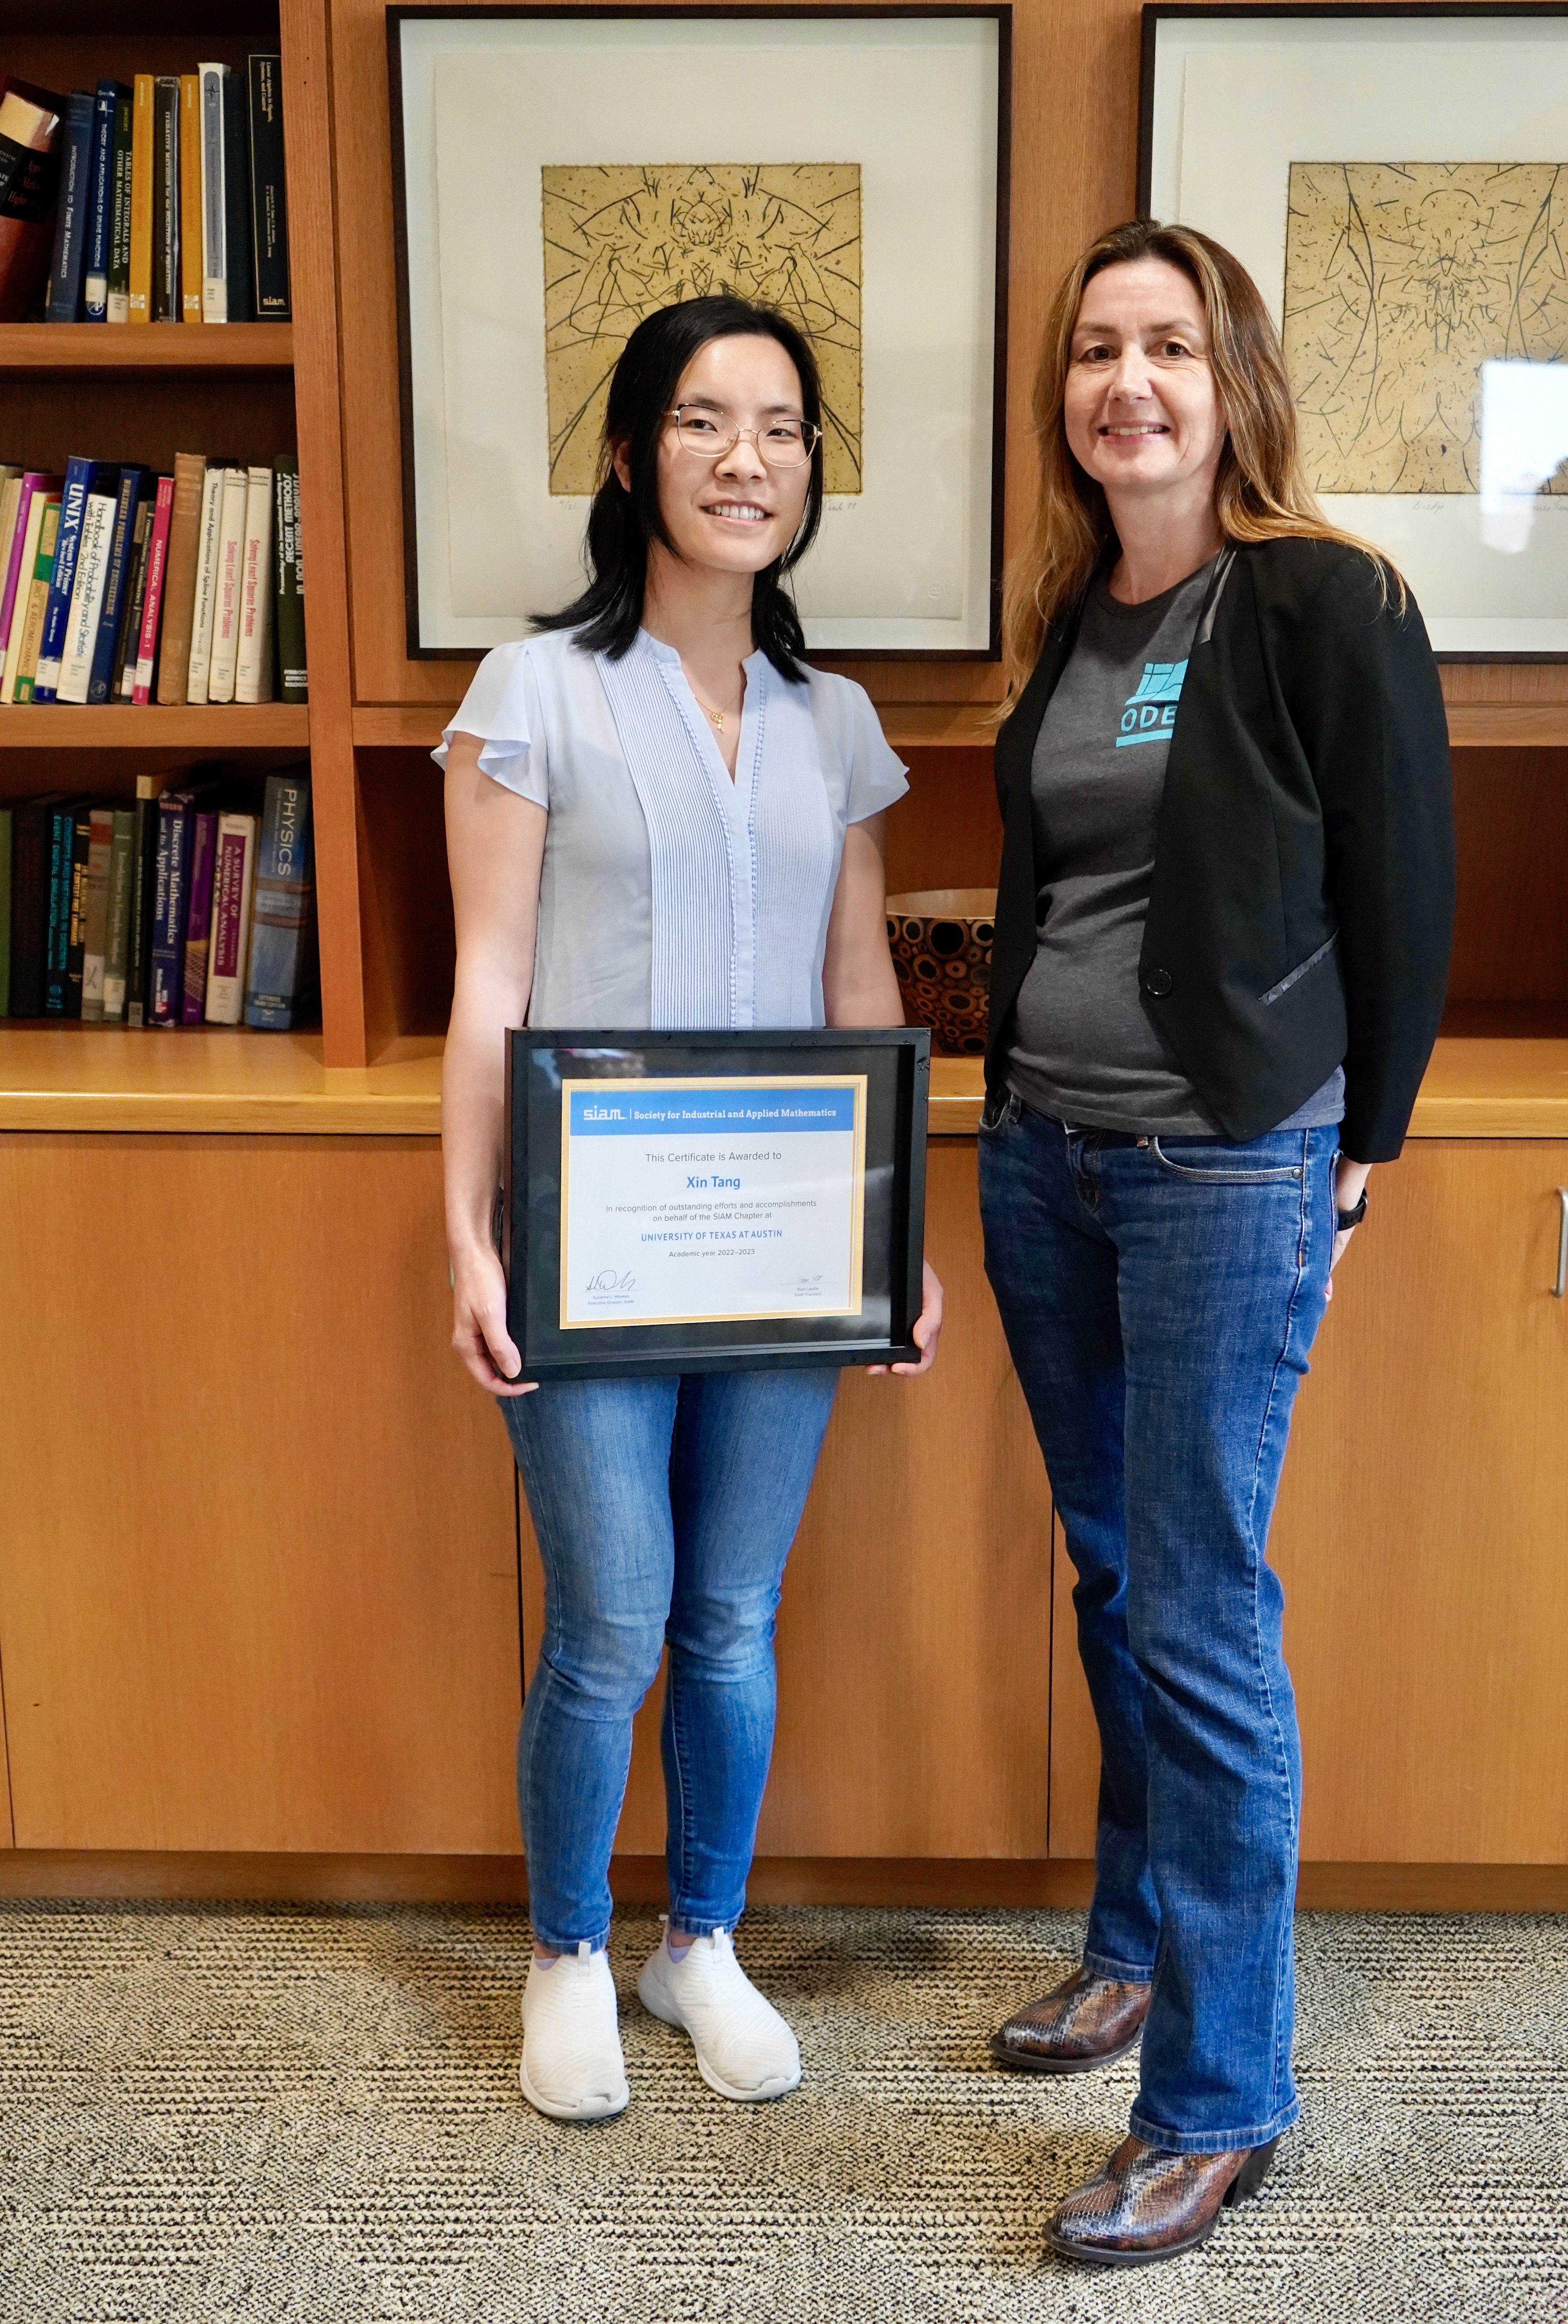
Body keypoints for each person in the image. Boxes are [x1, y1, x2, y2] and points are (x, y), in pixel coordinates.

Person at [978, 218, 1454, 2265]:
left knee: (1197, 1609)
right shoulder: (1071, 610)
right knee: (1115, 1574)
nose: (1128, 383)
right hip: (1041, 1160)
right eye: (1096, 350)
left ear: (1229, 377)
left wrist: (1366, 1146)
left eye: (1167, 345)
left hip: (1222, 1172)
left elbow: (1405, 879)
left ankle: (1222, 2094)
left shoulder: (1322, 597)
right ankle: (1134, 1946)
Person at [436, 294, 941, 2125]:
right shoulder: (535, 693)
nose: (751, 458)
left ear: (812, 468)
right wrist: (472, 1239)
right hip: (594, 1241)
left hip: (793, 1240)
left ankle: (696, 1934)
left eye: (785, 427)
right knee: (613, 1618)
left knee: (732, 1611)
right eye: (710, 421)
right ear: (637, 451)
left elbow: (861, 986)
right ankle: (570, 1944)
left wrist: (901, 1245)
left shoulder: (837, 717)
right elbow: (491, 979)